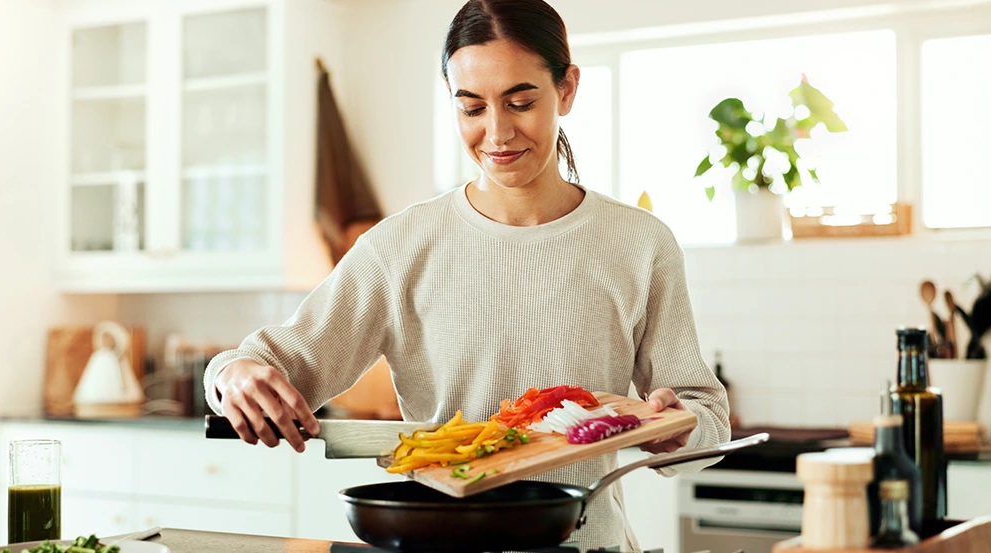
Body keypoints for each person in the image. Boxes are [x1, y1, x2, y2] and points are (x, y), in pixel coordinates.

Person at [204, 0, 730, 548]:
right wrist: (234, 376)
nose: (497, 133)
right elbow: (269, 363)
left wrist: (679, 426)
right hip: (438, 541)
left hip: (586, 542)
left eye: (520, 102)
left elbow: (707, 418)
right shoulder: (399, 245)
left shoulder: (641, 242)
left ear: (567, 89)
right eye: (472, 108)